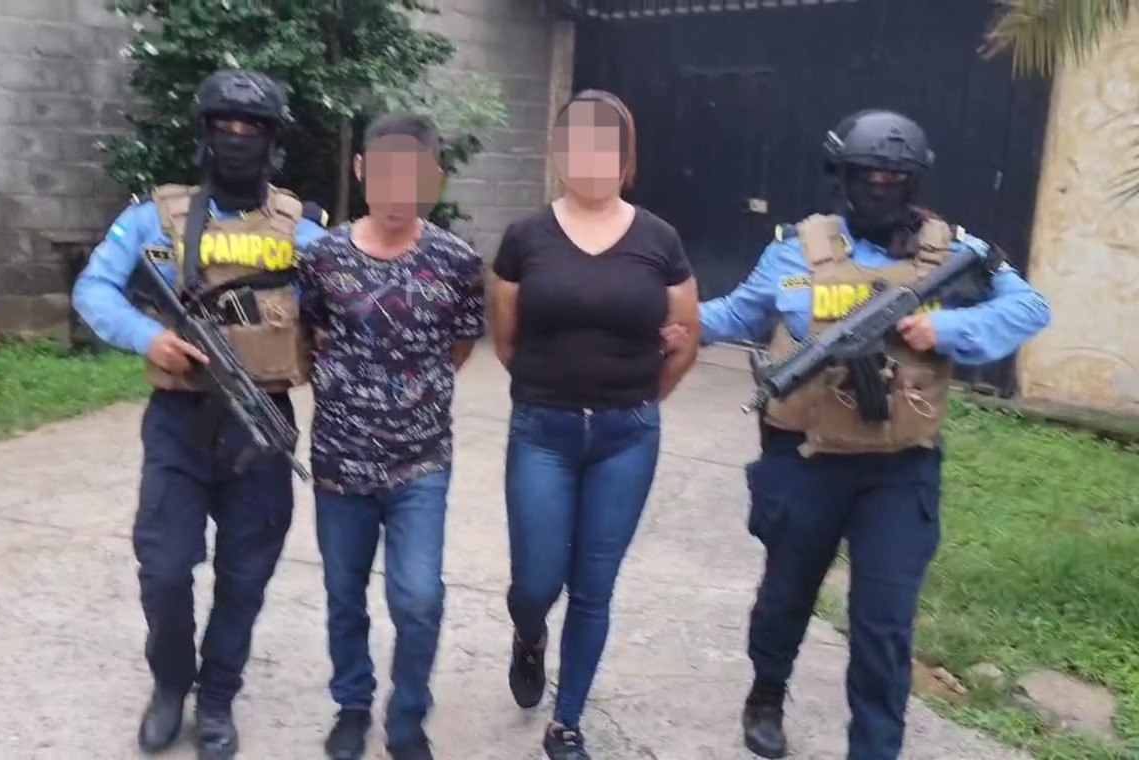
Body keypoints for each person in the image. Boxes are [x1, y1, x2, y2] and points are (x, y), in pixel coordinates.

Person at [671, 109, 1051, 759]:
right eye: (867, 177)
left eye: (894, 179)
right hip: (804, 458)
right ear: (842, 178)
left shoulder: (951, 252)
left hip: (900, 468)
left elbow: (1029, 307)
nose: (880, 189)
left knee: (884, 624)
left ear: (914, 182)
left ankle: (875, 747)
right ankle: (767, 691)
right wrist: (667, 318)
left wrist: (944, 329)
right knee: (785, 598)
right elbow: (737, 313)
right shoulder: (797, 248)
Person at [71, 68, 327, 759]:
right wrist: (148, 337)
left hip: (260, 421)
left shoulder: (303, 229)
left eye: (253, 130)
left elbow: (339, 305)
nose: (238, 140)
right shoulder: (152, 218)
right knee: (163, 567)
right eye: (225, 127)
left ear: (273, 141)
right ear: (205, 135)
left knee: (246, 573)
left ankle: (216, 697)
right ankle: (169, 684)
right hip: (179, 421)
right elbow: (94, 289)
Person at [489, 89, 702, 760]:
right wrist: (553, 386)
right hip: (542, 433)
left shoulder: (659, 240)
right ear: (559, 152)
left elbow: (686, 340)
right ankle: (529, 634)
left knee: (594, 586)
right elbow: (506, 340)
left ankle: (567, 722)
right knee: (536, 582)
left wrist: (637, 397)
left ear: (625, 156)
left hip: (626, 438)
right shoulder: (525, 238)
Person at [296, 113, 486, 760]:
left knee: (419, 597)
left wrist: (410, 393)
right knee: (344, 594)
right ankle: (352, 706)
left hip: (420, 461)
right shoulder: (322, 257)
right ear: (361, 171)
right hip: (339, 460)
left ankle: (408, 716)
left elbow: (459, 346)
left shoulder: (457, 262)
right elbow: (310, 336)